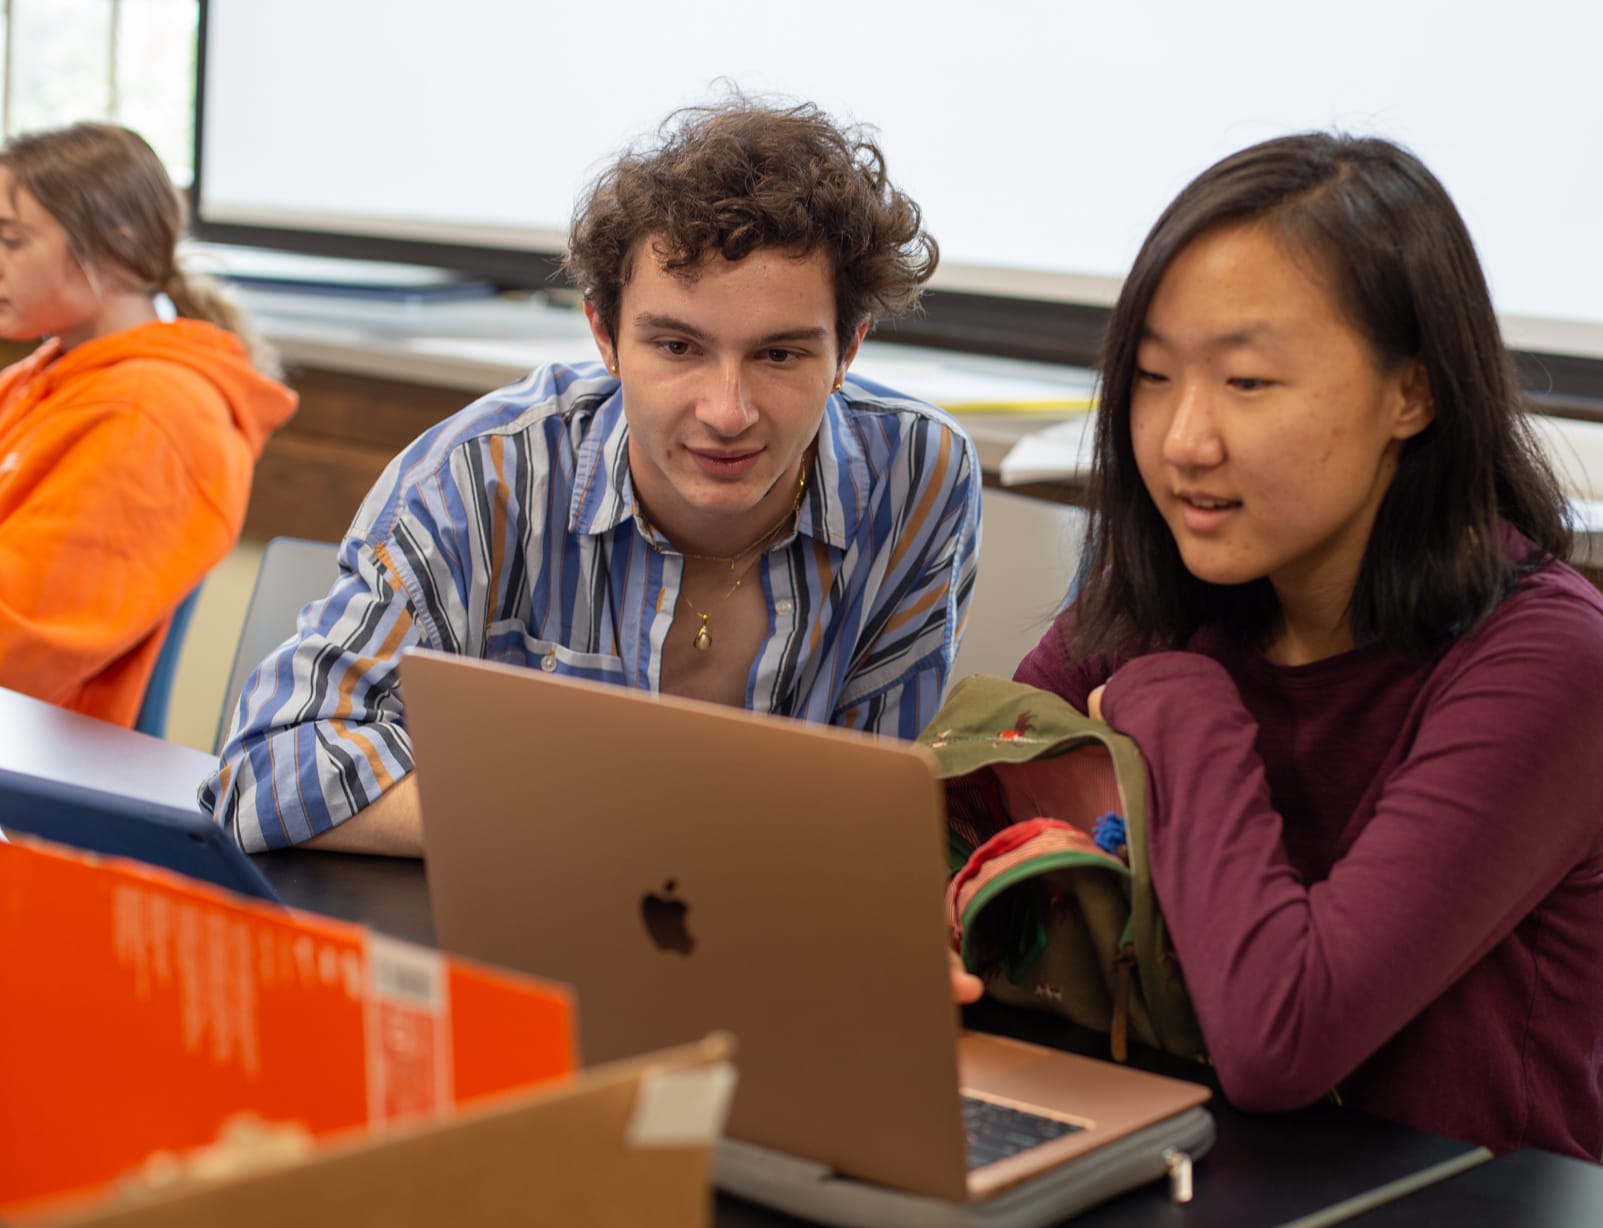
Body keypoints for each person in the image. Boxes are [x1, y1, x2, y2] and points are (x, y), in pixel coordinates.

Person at [1010, 133, 1603, 1160]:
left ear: (1411, 394)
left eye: (1246, 383)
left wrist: (1177, 704)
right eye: (1154, 377)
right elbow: (959, 834)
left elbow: (1279, 1037)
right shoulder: (1166, 591)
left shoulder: (1545, 657)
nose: (1181, 441)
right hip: (1185, 1188)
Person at [202, 100, 982, 858]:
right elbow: (264, 769)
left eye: (779, 355)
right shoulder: (485, 473)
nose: (728, 411)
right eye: (677, 347)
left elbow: (875, 819)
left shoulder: (918, 479)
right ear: (604, 336)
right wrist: (592, 835)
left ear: (848, 351)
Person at [0, 122, 296, 728]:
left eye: (11, 240)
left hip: (29, 785)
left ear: (113, 248)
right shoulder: (50, 373)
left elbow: (18, 649)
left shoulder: (153, 415)